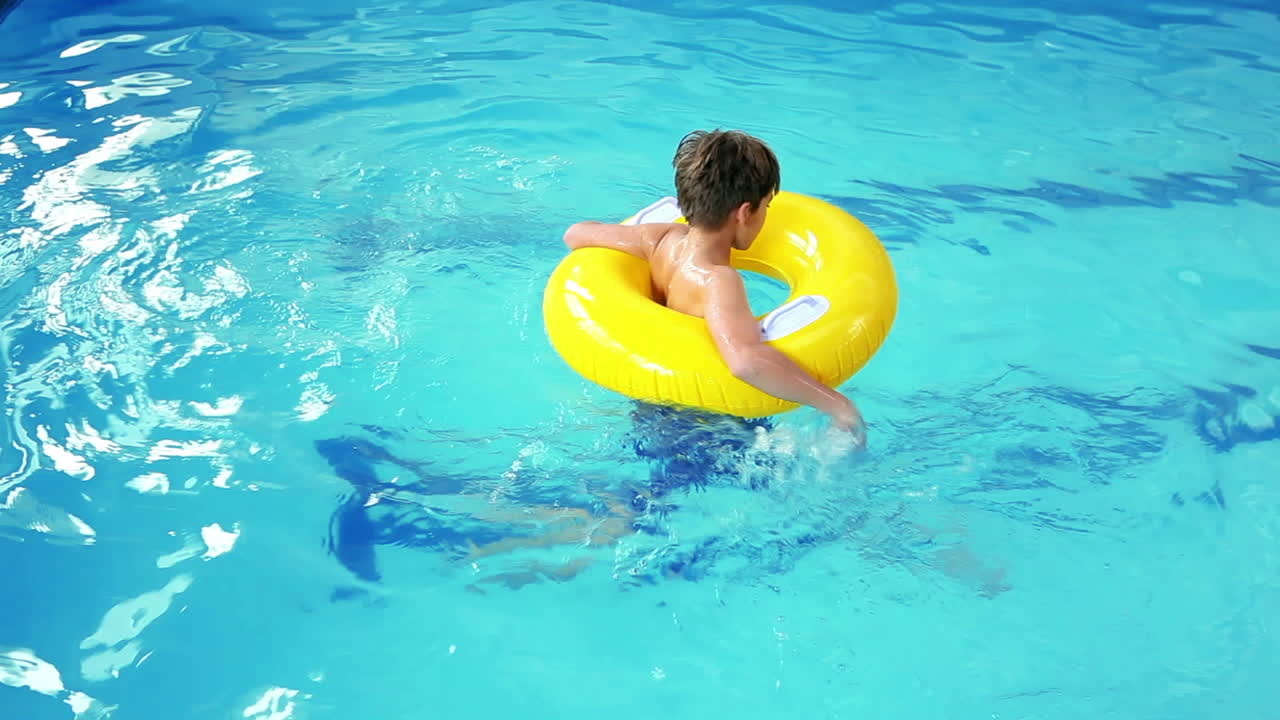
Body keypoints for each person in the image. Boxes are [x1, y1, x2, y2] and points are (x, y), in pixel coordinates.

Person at [562, 129, 866, 444]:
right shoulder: (718, 280)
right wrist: (837, 404)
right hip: (704, 424)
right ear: (745, 212)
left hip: (651, 407)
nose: (766, 216)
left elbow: (576, 234)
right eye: (766, 207)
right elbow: (746, 362)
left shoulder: (660, 239)